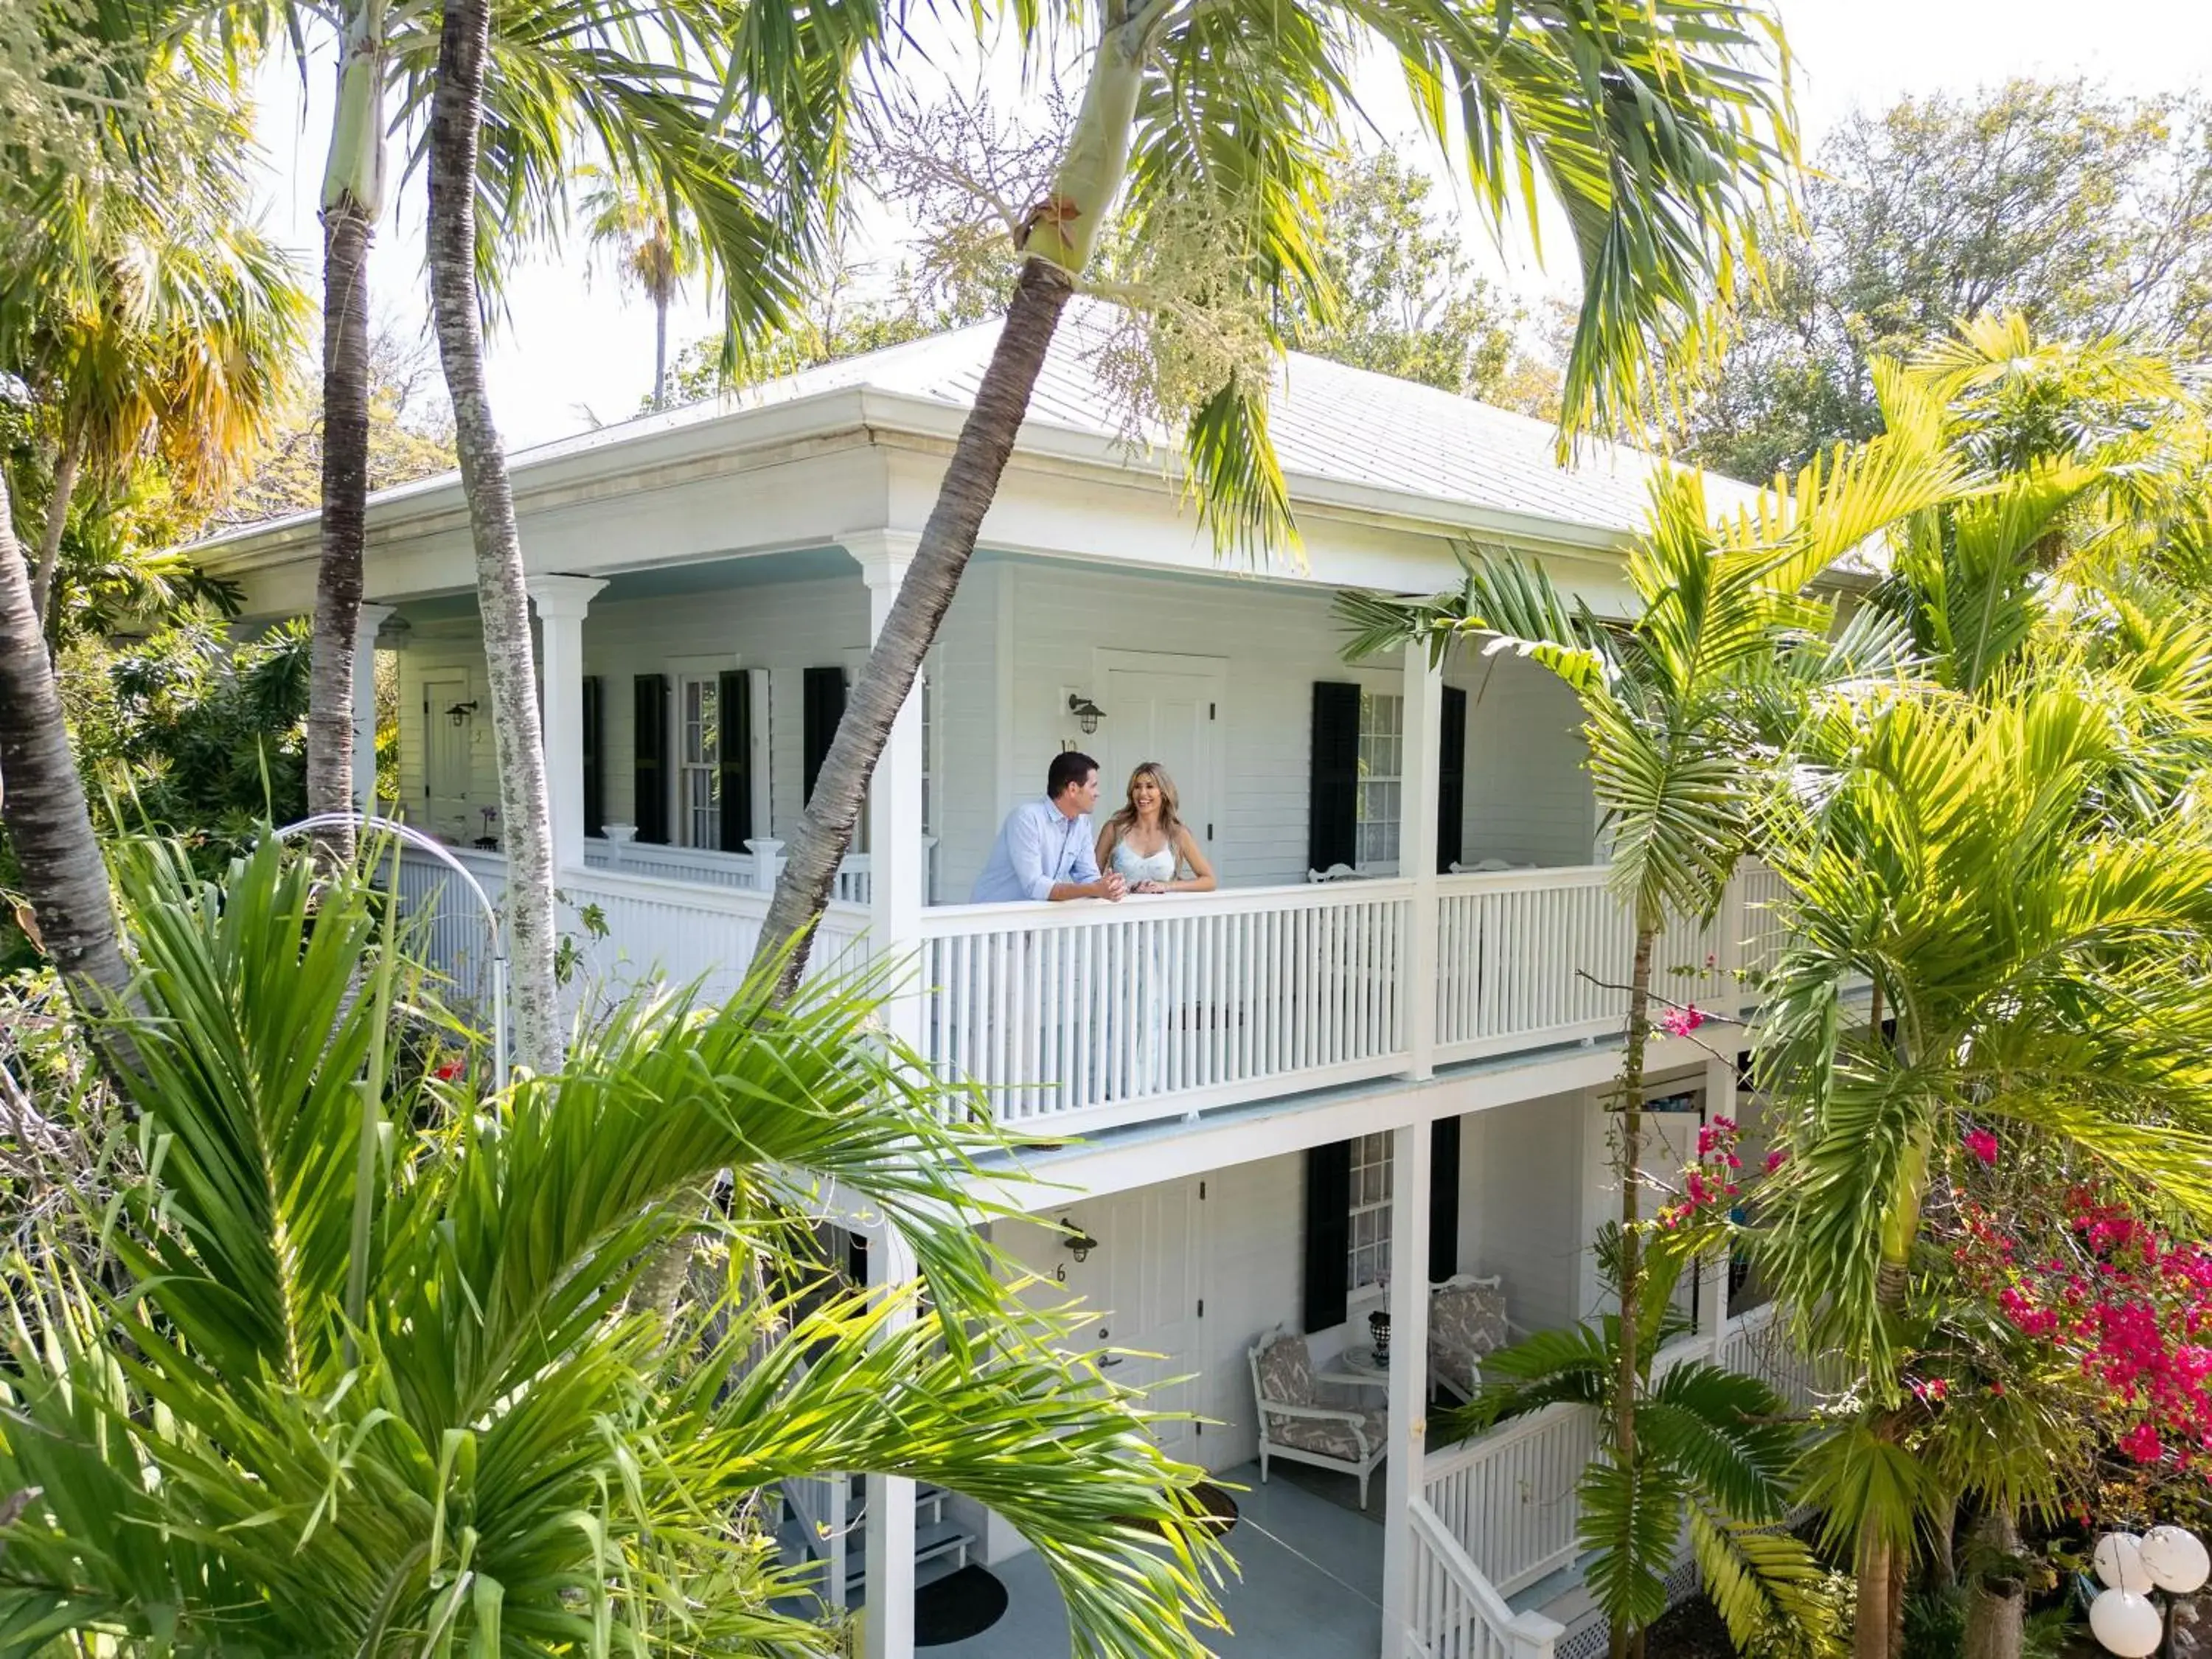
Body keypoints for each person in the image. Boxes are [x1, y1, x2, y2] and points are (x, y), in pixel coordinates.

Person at [969, 751, 1128, 903]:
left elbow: (1088, 877)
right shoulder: (1027, 818)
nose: (1097, 793)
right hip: (992, 920)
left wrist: (1112, 886)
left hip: (1034, 920)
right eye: (1093, 786)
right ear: (1073, 789)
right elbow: (1035, 886)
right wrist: (1093, 889)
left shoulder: (1082, 823)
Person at [1095, 762, 1217, 894]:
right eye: (1137, 787)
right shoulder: (1113, 829)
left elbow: (1209, 881)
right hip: (1121, 912)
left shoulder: (1178, 833)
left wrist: (1166, 886)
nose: (1142, 793)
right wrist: (1109, 885)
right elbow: (1090, 878)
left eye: (1150, 787)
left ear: (1163, 793)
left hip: (1165, 913)